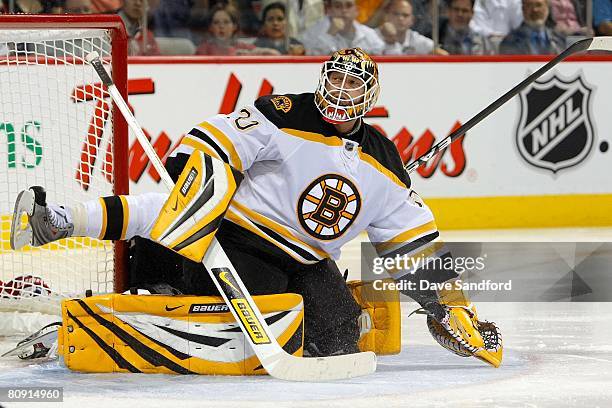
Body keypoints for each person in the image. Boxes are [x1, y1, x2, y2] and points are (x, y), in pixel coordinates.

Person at [12, 48, 502, 365]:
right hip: (238, 240)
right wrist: (196, 161)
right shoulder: (284, 111)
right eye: (335, 81)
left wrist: (449, 309)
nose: (339, 92)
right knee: (179, 215)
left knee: (339, 337)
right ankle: (100, 238)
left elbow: (411, 246)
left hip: (308, 260)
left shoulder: (387, 162)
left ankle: (161, 267)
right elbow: (223, 135)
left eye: (353, 86)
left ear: (369, 97)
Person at [300, 0, 386, 55]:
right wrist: (330, 34)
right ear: (329, 10)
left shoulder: (368, 33)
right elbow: (312, 57)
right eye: (338, 6)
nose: (344, 10)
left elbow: (381, 53)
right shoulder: (313, 32)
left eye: (348, 6)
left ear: (356, 10)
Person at [376, 0, 448, 54]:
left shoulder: (415, 38)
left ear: (412, 20)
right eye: (396, 14)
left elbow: (443, 54)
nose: (400, 18)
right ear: (386, 16)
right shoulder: (373, 36)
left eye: (405, 15)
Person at [500, 0, 566, 54]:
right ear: (523, 9)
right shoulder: (509, 41)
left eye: (539, 5)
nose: (535, 9)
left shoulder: (560, 39)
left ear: (547, 8)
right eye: (529, 5)